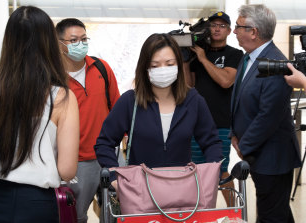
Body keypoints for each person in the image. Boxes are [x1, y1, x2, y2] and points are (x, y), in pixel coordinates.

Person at [0, 6, 79, 223]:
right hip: (35, 204)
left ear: (8, 42)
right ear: (49, 44)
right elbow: (67, 170)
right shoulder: (61, 98)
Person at [94, 33, 223, 188]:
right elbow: (104, 142)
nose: (163, 70)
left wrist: (211, 174)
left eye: (169, 64)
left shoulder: (193, 100)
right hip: (140, 190)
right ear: (145, 67)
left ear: (178, 65)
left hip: (182, 189)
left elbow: (211, 142)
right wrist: (114, 176)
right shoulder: (130, 101)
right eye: (155, 65)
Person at [231, 4, 301, 223]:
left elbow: (268, 116)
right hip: (257, 152)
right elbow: (237, 99)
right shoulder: (248, 57)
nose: (234, 31)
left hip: (273, 156)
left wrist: (244, 145)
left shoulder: (276, 63)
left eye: (238, 26)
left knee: (271, 215)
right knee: (275, 212)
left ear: (254, 32)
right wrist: (234, 133)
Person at [56, 18, 120, 223]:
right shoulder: (53, 78)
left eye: (84, 39)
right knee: (76, 216)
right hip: (75, 162)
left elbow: (117, 109)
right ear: (59, 44)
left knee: (115, 212)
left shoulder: (101, 68)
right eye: (73, 40)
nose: (80, 44)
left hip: (108, 155)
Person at [183, 11, 244, 206]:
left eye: (222, 25)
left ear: (228, 31)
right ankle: (199, 212)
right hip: (195, 123)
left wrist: (202, 58)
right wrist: (185, 60)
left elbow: (226, 81)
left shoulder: (235, 54)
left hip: (221, 123)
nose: (217, 28)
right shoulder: (198, 52)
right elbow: (188, 85)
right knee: (194, 169)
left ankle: (235, 211)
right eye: (213, 25)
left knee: (220, 169)